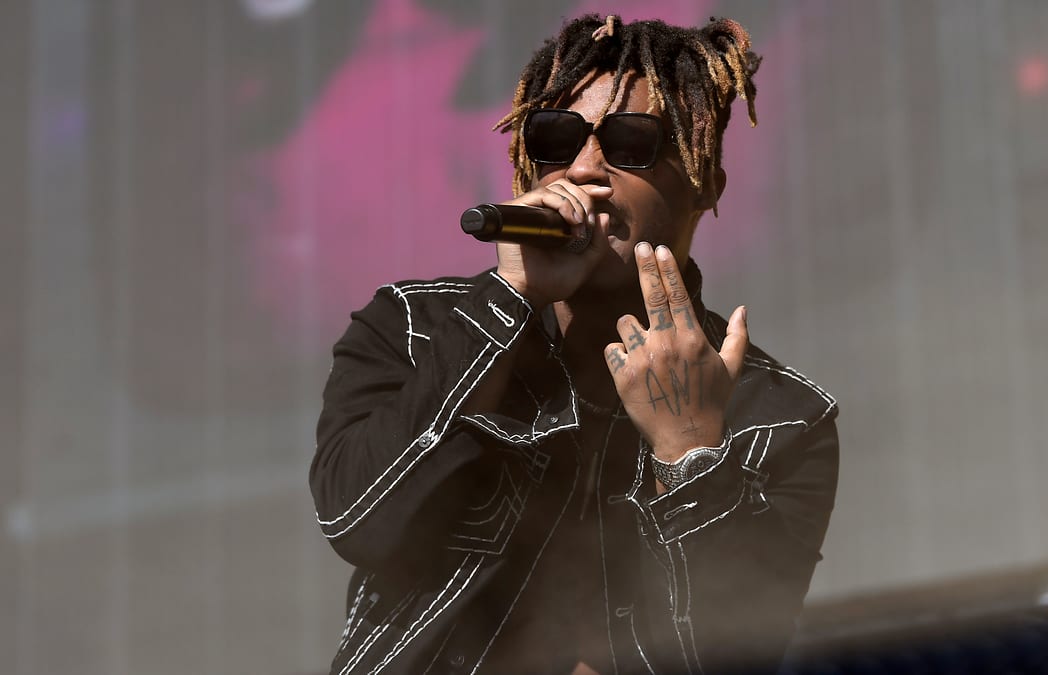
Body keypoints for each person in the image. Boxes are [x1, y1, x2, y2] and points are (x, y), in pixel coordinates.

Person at [310, 14, 839, 674]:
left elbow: (733, 651)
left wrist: (692, 449)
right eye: (558, 140)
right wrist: (506, 301)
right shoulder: (413, 328)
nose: (587, 169)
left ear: (704, 181)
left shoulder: (782, 419)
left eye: (631, 142)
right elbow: (359, 521)